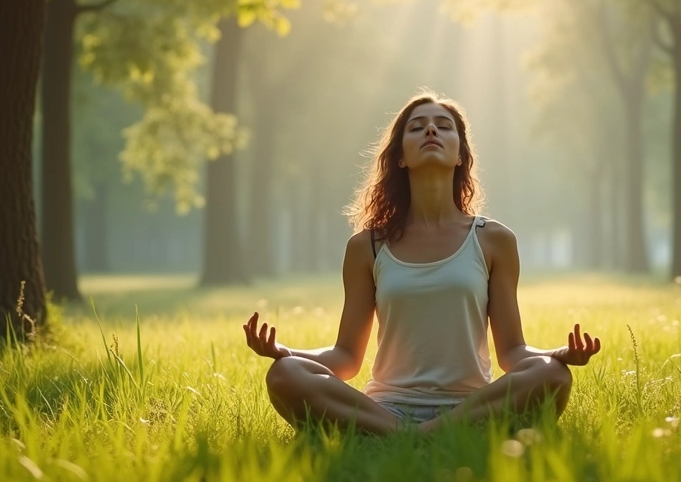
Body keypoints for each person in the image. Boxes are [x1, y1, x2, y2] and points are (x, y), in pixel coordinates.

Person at [242, 91, 601, 434]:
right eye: (417, 127)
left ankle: (413, 435)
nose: (431, 130)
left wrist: (559, 353)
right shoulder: (367, 246)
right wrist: (283, 352)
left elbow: (512, 352)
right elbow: (346, 356)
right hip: (386, 407)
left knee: (552, 374)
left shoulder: (494, 240)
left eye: (444, 126)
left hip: (471, 405)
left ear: (461, 154)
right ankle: (412, 432)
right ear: (401, 157)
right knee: (284, 374)